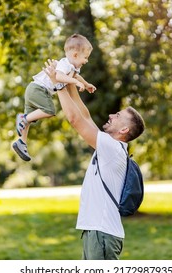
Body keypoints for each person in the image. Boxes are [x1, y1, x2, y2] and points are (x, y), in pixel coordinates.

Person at [43, 59, 145, 260]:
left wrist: (59, 84)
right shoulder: (110, 146)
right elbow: (85, 116)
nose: (110, 115)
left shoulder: (112, 148)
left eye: (117, 116)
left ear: (124, 130)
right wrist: (71, 81)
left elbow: (76, 120)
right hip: (98, 232)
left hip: (102, 233)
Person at [13, 34, 97, 161]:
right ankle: (22, 118)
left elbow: (75, 76)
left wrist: (86, 84)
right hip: (38, 90)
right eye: (85, 57)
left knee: (30, 119)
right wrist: (76, 83)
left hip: (34, 90)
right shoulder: (65, 64)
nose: (86, 61)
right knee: (49, 111)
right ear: (75, 55)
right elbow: (59, 77)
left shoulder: (73, 67)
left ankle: (21, 142)